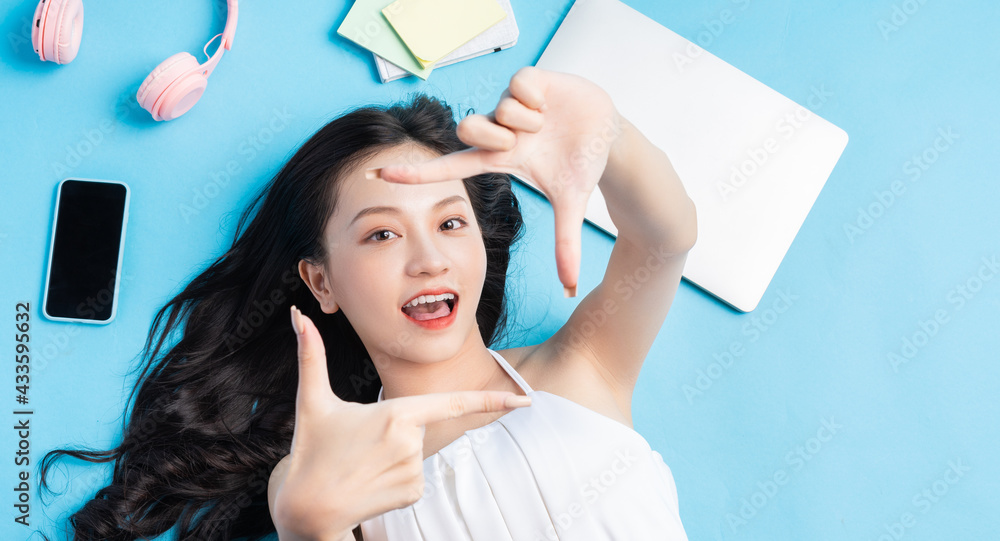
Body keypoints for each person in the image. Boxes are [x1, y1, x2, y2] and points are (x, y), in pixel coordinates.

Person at [41, 67, 696, 540]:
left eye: (449, 222)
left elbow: (665, 240)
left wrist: (611, 135)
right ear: (320, 281)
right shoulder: (335, 489)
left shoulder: (579, 370)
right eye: (382, 233)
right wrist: (308, 528)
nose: (429, 259)